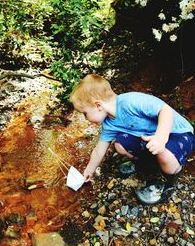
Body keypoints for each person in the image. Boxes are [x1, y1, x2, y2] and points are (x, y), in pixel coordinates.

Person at [69, 74, 194, 204]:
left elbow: (166, 111)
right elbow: (99, 150)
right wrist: (89, 170)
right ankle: (149, 163)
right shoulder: (109, 124)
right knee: (120, 145)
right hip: (151, 137)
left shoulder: (131, 102)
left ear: (98, 105)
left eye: (85, 114)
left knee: (164, 153)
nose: (85, 119)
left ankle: (170, 179)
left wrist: (160, 138)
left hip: (179, 134)